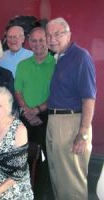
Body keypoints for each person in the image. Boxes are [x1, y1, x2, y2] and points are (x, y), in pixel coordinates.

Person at [45, 17, 96, 199]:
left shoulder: (80, 57)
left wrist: (82, 134)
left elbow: (89, 98)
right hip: (55, 122)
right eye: (49, 35)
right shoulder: (59, 58)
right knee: (58, 177)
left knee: (72, 183)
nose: (52, 39)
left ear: (69, 35)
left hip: (71, 123)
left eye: (57, 34)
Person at [14, 27, 55, 198]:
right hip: (25, 116)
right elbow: (18, 91)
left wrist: (37, 111)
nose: (37, 44)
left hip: (47, 117)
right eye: (34, 40)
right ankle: (22, 193)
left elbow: (57, 94)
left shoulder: (56, 63)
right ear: (29, 43)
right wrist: (27, 110)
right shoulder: (23, 65)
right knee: (21, 158)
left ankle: (39, 194)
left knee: (45, 160)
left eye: (41, 39)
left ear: (47, 40)